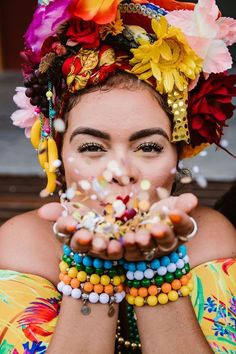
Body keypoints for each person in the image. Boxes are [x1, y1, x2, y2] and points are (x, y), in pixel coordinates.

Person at [0, 0, 236, 353]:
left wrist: (157, 265)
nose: (121, 172)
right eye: (93, 147)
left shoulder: (209, 238)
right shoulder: (23, 245)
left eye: (149, 148)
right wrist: (93, 271)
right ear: (59, 156)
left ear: (177, 155)